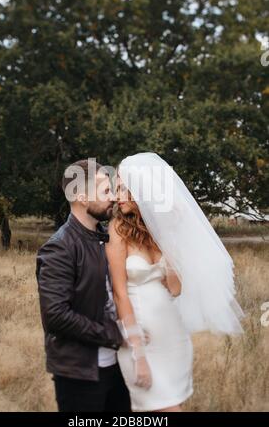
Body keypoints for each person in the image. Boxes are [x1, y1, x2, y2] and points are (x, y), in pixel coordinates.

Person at [105, 151, 245, 412]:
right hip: (141, 340)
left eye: (124, 189)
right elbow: (119, 292)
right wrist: (137, 352)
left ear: (142, 191)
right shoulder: (118, 229)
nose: (117, 196)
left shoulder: (157, 232)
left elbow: (175, 288)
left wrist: (168, 232)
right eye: (116, 189)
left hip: (172, 336)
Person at [36, 159, 131, 412]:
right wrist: (115, 335)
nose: (113, 197)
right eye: (105, 191)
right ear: (81, 196)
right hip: (81, 373)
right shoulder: (60, 247)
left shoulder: (109, 238)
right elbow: (56, 315)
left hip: (119, 368)